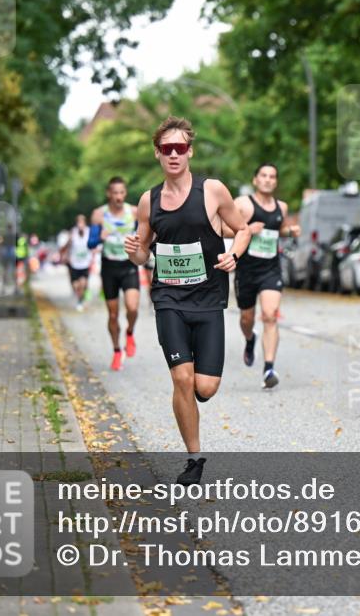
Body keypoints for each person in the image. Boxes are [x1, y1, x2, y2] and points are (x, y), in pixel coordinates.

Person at [124, 116, 250, 486]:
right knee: (181, 378)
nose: (174, 155)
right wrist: (134, 251)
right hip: (169, 298)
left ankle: (197, 382)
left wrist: (234, 256)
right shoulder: (149, 201)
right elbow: (143, 253)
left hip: (209, 298)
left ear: (190, 151)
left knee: (204, 388)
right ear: (158, 154)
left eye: (180, 148)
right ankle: (194, 459)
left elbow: (241, 229)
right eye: (167, 149)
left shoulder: (212, 191)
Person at [226, 164, 300, 388]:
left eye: (272, 177)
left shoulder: (282, 207)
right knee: (246, 319)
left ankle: (269, 368)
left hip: (271, 269)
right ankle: (250, 339)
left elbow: (278, 229)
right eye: (263, 176)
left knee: (270, 315)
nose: (268, 180)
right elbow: (223, 228)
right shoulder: (242, 204)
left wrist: (290, 231)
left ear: (275, 182)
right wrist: (247, 229)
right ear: (256, 179)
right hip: (247, 270)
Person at [89, 177, 140, 370]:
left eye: (121, 192)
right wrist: (97, 238)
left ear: (125, 193)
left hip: (129, 265)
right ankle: (117, 350)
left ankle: (129, 333)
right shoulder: (98, 215)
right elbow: (90, 243)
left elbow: (144, 236)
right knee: (112, 315)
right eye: (115, 193)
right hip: (109, 267)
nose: (118, 196)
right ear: (109, 194)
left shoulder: (134, 212)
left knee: (132, 308)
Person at [60, 214, 93, 311]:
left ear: (85, 223)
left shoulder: (88, 232)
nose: (80, 225)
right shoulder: (72, 233)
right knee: (75, 286)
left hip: (85, 263)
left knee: (82, 284)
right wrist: (65, 255)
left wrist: (94, 254)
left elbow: (93, 245)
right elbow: (65, 247)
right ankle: (79, 297)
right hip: (74, 263)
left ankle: (80, 301)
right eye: (79, 222)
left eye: (82, 222)